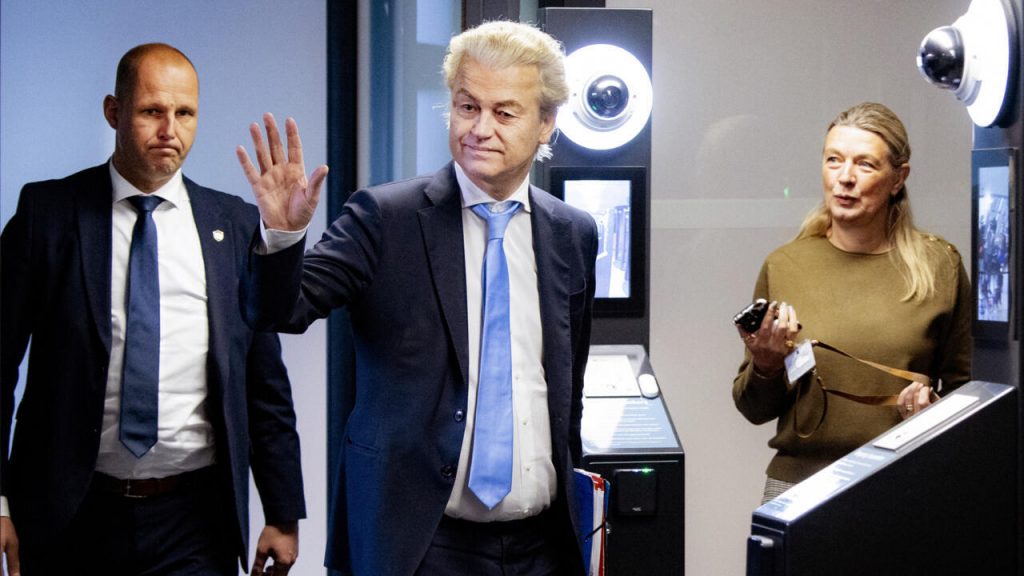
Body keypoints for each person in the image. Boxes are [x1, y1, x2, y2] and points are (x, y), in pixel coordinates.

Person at [236, 20, 598, 576]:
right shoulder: (385, 218)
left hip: (542, 546)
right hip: (419, 544)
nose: (480, 129)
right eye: (467, 107)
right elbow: (280, 311)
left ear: (546, 122)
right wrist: (283, 237)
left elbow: (566, 387)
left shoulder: (572, 233)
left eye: (504, 113)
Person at [1, 43, 306, 575]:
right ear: (113, 112)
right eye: (152, 111)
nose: (170, 129)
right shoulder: (47, 215)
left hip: (195, 520)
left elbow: (264, 386)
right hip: (68, 512)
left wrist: (283, 513)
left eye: (185, 113)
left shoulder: (233, 225)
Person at [732, 102, 972, 503]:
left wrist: (931, 418)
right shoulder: (785, 265)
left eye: (865, 164)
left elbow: (971, 398)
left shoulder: (939, 265)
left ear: (898, 178)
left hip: (905, 483)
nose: (844, 177)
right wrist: (766, 365)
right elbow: (753, 409)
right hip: (799, 487)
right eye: (834, 160)